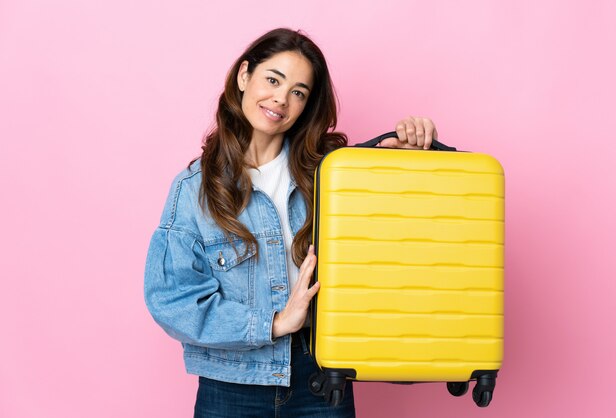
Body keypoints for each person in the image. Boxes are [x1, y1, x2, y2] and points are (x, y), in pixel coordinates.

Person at [144, 28, 438, 418]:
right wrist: (274, 323)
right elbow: (172, 299)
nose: (281, 99)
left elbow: (399, 236)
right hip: (231, 384)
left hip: (319, 376)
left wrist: (404, 156)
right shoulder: (194, 189)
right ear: (244, 76)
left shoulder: (333, 173)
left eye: (298, 92)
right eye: (272, 80)